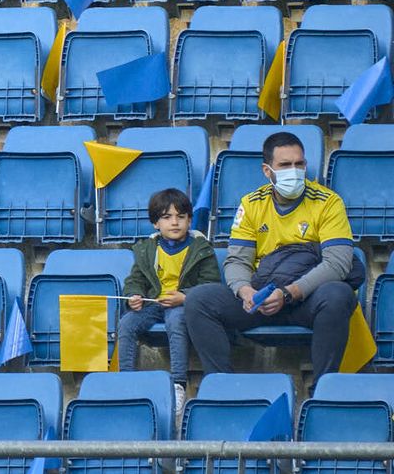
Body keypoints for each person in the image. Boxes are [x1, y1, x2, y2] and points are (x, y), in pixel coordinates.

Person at [184, 131, 362, 389]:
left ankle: (324, 389)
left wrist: (289, 294)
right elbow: (236, 261)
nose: (295, 170)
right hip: (260, 297)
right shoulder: (252, 203)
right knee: (199, 299)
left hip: (305, 298)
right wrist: (245, 291)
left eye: (300, 164)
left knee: (338, 294)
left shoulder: (328, 202)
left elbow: (338, 263)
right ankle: (221, 387)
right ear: (267, 171)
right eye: (285, 165)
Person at [116, 188, 221, 415]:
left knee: (176, 321)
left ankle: (178, 384)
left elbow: (211, 284)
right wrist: (133, 295)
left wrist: (186, 296)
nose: (174, 223)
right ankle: (125, 382)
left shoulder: (201, 249)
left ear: (189, 220)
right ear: (156, 223)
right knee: (126, 324)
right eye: (166, 217)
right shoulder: (147, 249)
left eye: (180, 217)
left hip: (184, 304)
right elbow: (135, 279)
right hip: (154, 303)